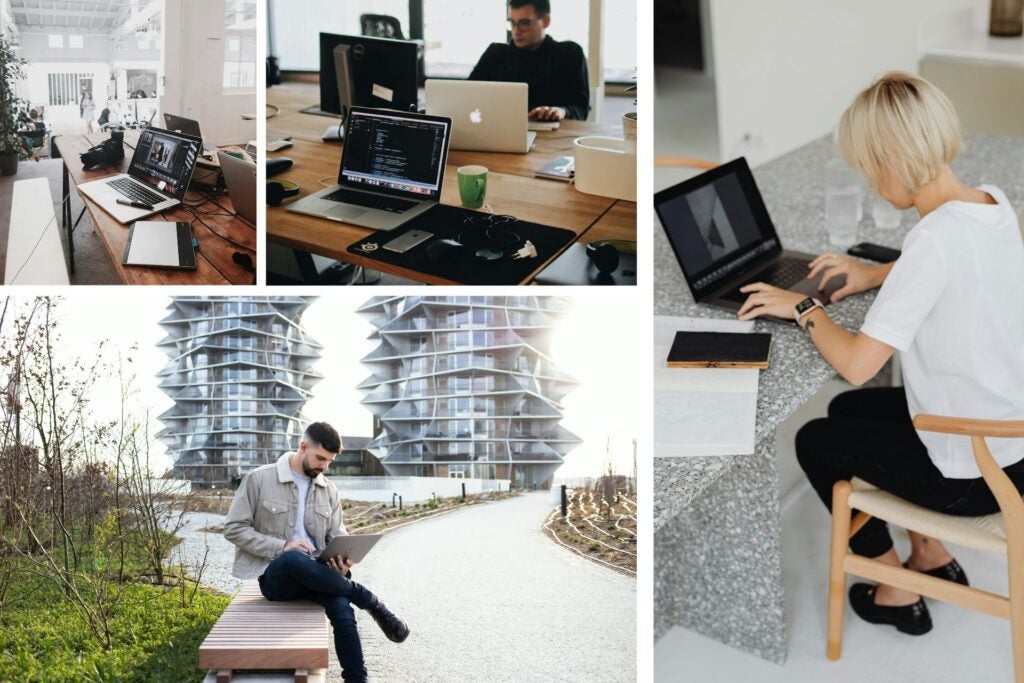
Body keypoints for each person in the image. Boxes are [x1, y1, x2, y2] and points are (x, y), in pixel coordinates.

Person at [736, 72, 1024, 635]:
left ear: (892, 161)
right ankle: (931, 555)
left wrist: (802, 308)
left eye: (869, 169)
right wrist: (875, 273)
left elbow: (856, 365)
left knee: (814, 441)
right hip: (1010, 434)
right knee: (850, 416)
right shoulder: (992, 200)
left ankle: (896, 589)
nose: (871, 184)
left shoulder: (931, 242)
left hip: (976, 475)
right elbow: (951, 261)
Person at [223, 422, 408, 683]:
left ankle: (357, 679)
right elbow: (233, 529)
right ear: (302, 447)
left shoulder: (329, 490)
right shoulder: (259, 478)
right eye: (320, 458)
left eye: (329, 461)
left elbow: (338, 536)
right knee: (293, 558)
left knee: (342, 608)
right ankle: (370, 601)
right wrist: (282, 545)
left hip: (320, 573)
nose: (324, 466)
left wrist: (342, 563)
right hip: (278, 577)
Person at [468, 0, 589, 121]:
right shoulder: (495, 53)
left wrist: (562, 111)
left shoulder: (570, 53)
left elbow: (581, 109)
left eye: (524, 23)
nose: (516, 30)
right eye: (512, 23)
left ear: (546, 21)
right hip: (501, 130)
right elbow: (467, 94)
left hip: (554, 135)